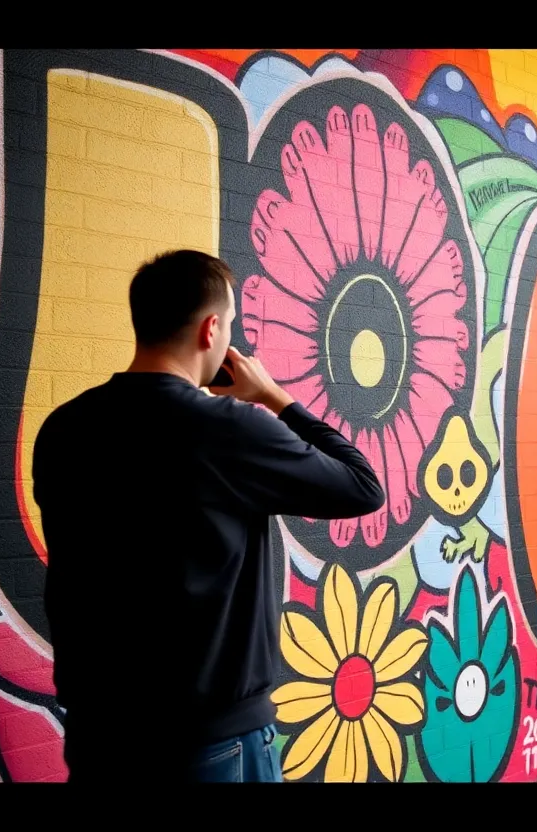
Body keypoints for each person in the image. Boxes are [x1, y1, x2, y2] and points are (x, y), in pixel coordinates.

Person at [33, 249, 385, 782]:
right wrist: (273, 397)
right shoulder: (229, 428)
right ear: (211, 328)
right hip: (209, 743)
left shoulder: (63, 428)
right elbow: (363, 486)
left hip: (97, 736)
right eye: (231, 323)